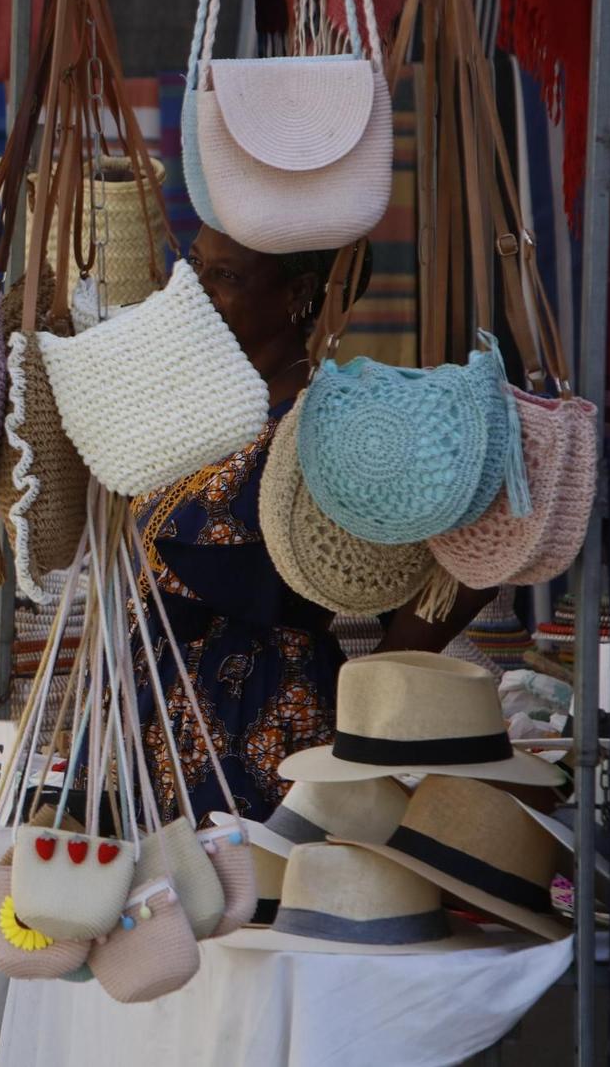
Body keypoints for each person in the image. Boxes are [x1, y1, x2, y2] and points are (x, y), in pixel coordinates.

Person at [131, 228, 491, 821]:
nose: (195, 290)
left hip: (257, 752)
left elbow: (468, 567)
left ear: (296, 293)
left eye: (225, 277)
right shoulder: (202, 413)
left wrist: (371, 699)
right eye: (194, 266)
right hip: (148, 743)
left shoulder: (331, 436)